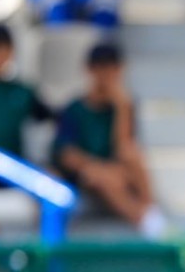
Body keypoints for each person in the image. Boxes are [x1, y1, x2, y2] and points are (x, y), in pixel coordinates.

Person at [52, 42, 167, 237]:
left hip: (118, 172)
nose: (107, 75)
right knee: (101, 177)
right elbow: (66, 154)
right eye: (101, 68)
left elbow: (124, 147)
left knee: (131, 155)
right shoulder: (74, 108)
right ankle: (148, 221)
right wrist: (100, 169)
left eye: (113, 68)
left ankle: (151, 212)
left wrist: (122, 108)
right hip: (89, 175)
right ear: (90, 70)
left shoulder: (125, 105)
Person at [0, 24, 50, 174]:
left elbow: (50, 119)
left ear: (11, 51)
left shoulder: (22, 92)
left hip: (12, 171)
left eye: (1, 48)